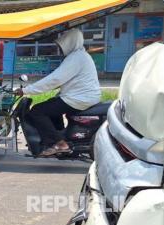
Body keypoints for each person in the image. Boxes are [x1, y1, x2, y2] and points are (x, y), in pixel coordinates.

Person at [16, 28, 101, 157]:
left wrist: (26, 90)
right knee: (51, 105)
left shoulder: (76, 58)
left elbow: (55, 79)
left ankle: (60, 144)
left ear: (70, 43)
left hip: (79, 98)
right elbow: (60, 79)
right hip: (80, 96)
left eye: (62, 46)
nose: (60, 49)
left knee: (37, 111)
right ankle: (58, 136)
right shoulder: (80, 56)